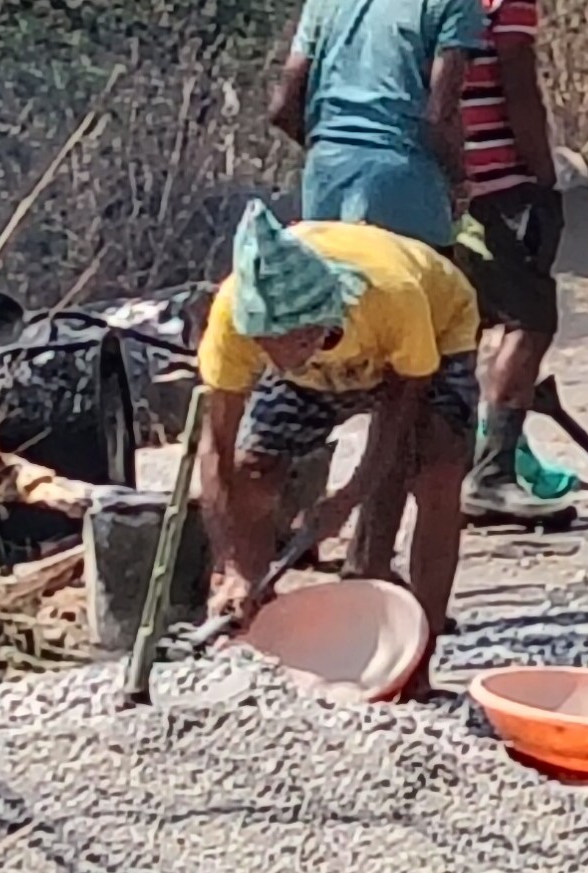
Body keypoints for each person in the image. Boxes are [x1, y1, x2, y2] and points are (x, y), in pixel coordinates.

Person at [197, 203, 481, 693]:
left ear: (316, 323)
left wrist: (346, 500)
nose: (270, 353)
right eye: (262, 341)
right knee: (253, 466)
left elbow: (398, 412)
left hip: (433, 333)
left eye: (283, 340)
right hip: (322, 367)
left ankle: (417, 661)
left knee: (436, 473)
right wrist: (232, 565)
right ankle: (253, 627)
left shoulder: (392, 297)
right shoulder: (234, 320)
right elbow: (216, 448)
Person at [270, 0, 488, 252]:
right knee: (432, 308)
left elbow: (283, 107)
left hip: (325, 183)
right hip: (406, 188)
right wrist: (459, 182)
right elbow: (440, 115)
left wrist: (337, 149)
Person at [448, 0, 573, 525]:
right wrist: (543, 179)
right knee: (528, 320)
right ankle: (491, 473)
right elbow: (519, 93)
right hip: (499, 184)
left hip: (432, 183)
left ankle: (465, 466)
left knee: (461, 329)